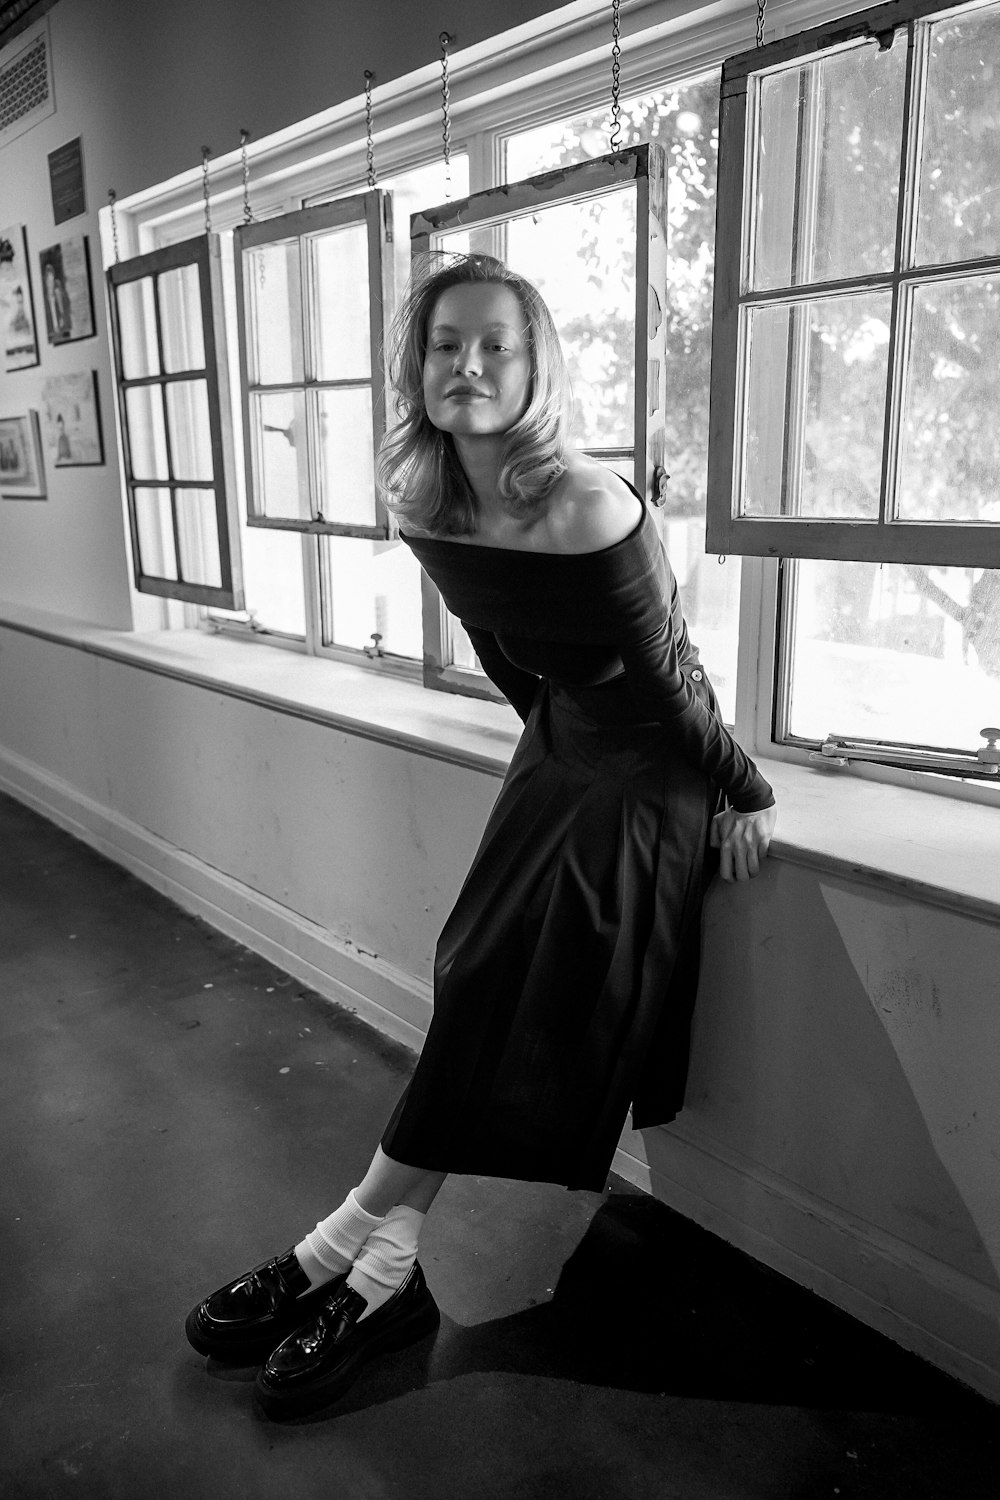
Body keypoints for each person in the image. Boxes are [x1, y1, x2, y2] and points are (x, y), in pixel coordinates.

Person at [185, 253, 777, 1420]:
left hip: (652, 770)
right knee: (473, 979)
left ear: (533, 363)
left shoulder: (589, 503)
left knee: (503, 991)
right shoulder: (424, 498)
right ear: (417, 363)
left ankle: (343, 1248)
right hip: (560, 748)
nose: (467, 365)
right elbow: (507, 651)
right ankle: (383, 1262)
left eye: (494, 344)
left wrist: (743, 789)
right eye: (446, 343)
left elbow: (664, 684)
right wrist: (549, 748)